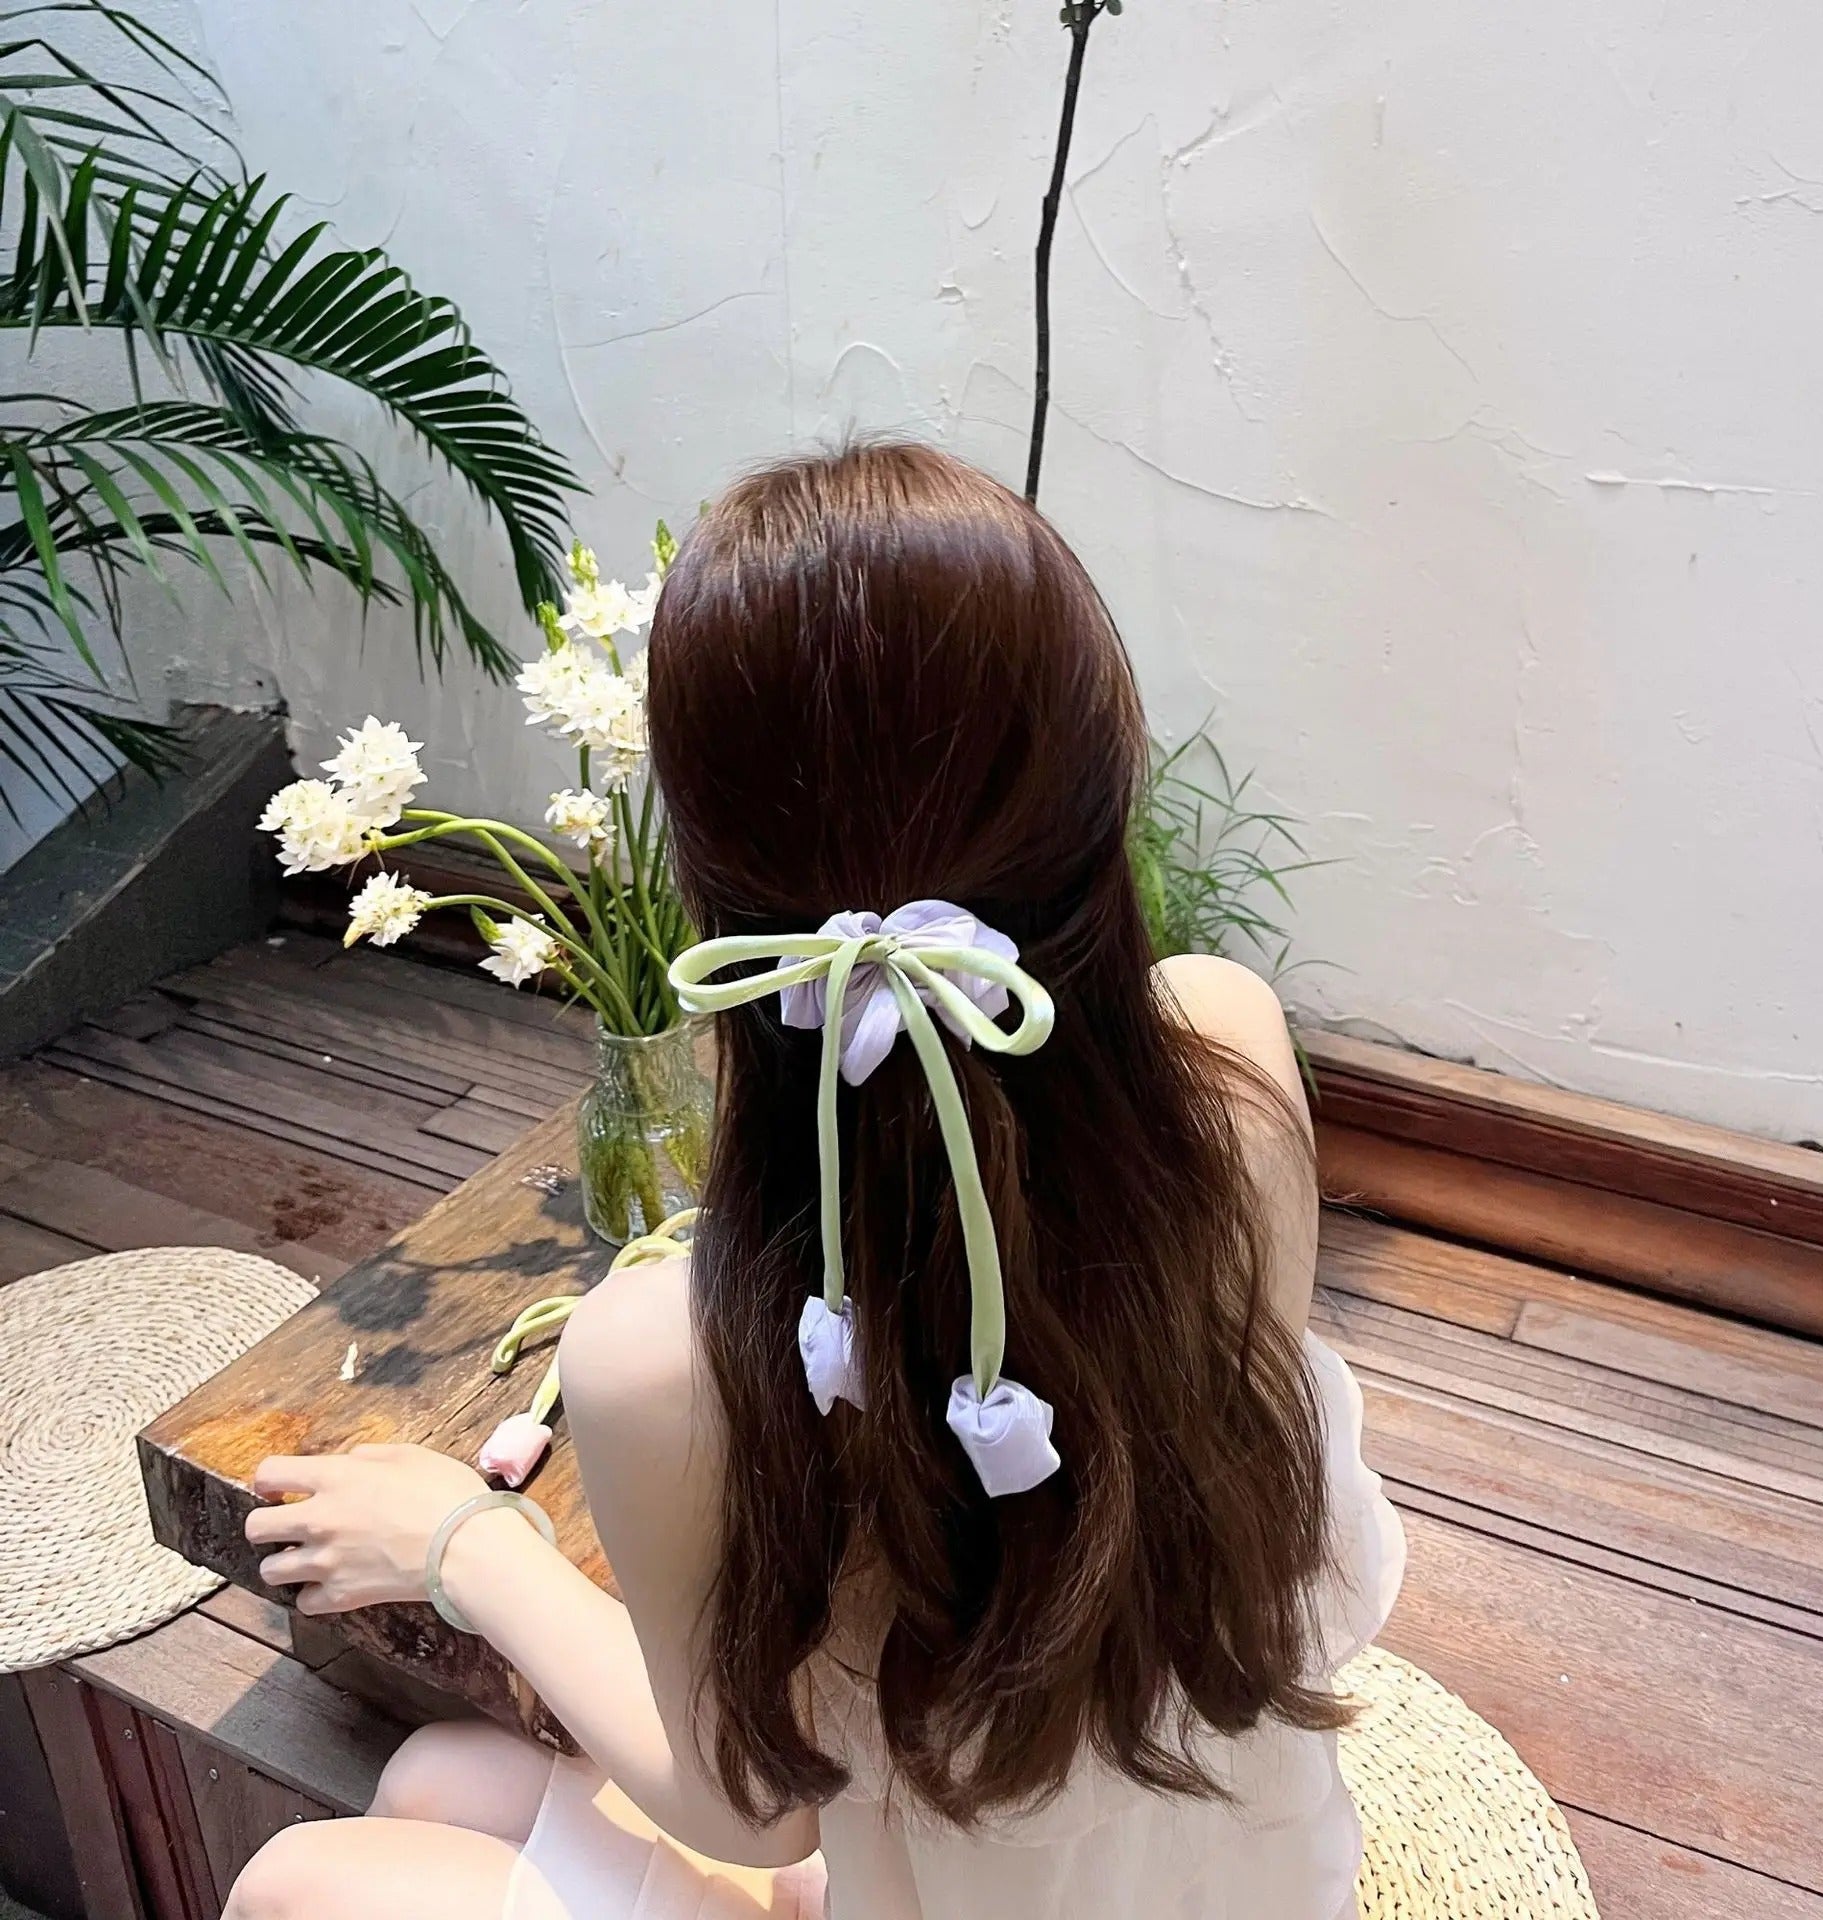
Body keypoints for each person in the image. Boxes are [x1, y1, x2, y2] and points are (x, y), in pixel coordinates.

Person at [224, 442, 1405, 1920]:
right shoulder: (1227, 1052)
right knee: (437, 1789)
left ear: (713, 902)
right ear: (1102, 793)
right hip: (1241, 1878)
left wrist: (465, 1546)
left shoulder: (666, 1359)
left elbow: (753, 1806)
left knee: (294, 1881)